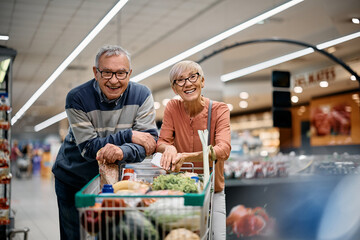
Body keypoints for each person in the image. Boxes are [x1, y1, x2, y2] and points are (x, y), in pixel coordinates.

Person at [52, 45, 158, 240]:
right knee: (75, 235)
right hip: (74, 177)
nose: (114, 80)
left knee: (110, 234)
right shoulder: (77, 98)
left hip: (113, 182)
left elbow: (149, 143)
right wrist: (129, 135)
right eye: (107, 72)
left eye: (121, 73)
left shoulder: (142, 95)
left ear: (130, 73)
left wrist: (120, 152)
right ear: (96, 72)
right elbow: (89, 148)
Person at [156, 60, 231, 239]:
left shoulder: (219, 110)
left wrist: (186, 156)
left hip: (213, 192)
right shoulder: (173, 108)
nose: (187, 83)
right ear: (175, 89)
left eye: (192, 77)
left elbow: (224, 150)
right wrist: (169, 149)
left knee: (217, 236)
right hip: (183, 191)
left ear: (202, 81)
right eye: (180, 80)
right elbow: (161, 142)